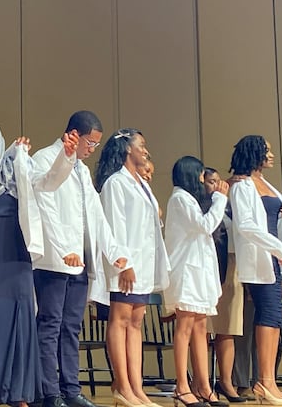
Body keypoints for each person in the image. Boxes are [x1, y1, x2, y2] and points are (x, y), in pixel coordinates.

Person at [0, 114, 79, 407]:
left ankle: (17, 393)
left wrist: (66, 157)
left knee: (14, 316)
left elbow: (47, 183)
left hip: (12, 253)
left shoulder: (14, 165)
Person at [31, 110, 127, 407]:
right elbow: (46, 209)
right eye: (91, 142)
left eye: (96, 145)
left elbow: (95, 216)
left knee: (71, 327)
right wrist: (62, 250)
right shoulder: (45, 159)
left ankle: (70, 389)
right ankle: (49, 392)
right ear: (73, 133)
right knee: (50, 325)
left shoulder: (83, 171)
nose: (92, 149)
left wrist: (114, 252)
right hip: (54, 261)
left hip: (80, 262)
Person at [94, 128, 169, 407]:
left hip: (143, 265)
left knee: (136, 324)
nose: (146, 150)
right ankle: (122, 386)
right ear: (127, 149)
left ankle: (137, 388)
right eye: (142, 145)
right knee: (121, 320)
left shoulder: (141, 183)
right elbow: (115, 226)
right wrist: (124, 263)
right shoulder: (116, 183)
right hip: (126, 265)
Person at [228, 135, 282, 406]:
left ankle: (268, 381)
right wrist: (278, 249)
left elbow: (279, 219)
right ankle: (264, 382)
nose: (271, 154)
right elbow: (246, 225)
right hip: (261, 259)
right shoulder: (242, 186)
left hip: (274, 261)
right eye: (266, 150)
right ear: (254, 153)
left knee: (274, 319)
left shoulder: (266, 185)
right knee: (267, 316)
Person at [164, 156, 229, 407]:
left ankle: (203, 385)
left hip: (198, 273)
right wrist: (220, 199)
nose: (205, 180)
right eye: (202, 175)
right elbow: (205, 225)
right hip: (186, 273)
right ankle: (182, 385)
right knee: (185, 327)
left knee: (201, 328)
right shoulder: (180, 198)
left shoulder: (189, 199)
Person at [203, 168, 247, 404]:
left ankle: (226, 381)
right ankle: (199, 382)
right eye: (211, 182)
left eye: (218, 182)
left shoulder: (228, 206)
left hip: (231, 267)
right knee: (202, 328)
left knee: (228, 328)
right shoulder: (200, 207)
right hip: (209, 269)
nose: (216, 186)